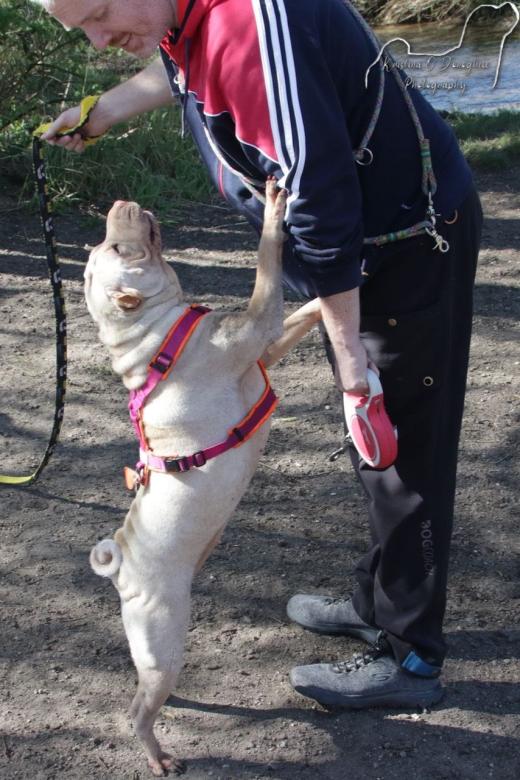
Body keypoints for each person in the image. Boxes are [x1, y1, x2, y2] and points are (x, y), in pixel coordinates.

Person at [36, 0, 482, 709]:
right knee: (374, 449)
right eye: (79, 28)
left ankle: (411, 655)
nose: (97, 38)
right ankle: (376, 604)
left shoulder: (248, 23)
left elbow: (322, 201)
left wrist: (351, 360)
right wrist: (103, 109)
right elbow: (183, 68)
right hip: (360, 257)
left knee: (402, 456)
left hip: (402, 249)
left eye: (99, 11)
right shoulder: (185, 15)